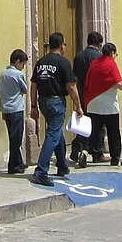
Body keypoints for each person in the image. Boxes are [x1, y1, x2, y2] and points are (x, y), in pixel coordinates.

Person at [29, 32, 83, 187]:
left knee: (56, 130)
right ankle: (41, 171)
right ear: (61, 46)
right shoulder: (63, 63)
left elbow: (34, 85)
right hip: (56, 101)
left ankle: (62, 165)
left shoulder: (41, 62)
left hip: (43, 100)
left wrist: (33, 106)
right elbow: (71, 87)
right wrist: (78, 106)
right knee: (53, 134)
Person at [83, 42, 122, 166]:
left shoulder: (95, 63)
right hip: (108, 106)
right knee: (113, 132)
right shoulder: (111, 64)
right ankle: (115, 158)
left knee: (94, 131)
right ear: (112, 53)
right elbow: (117, 82)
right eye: (115, 54)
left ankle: (90, 153)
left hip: (93, 103)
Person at [70, 31, 106, 167]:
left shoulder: (78, 56)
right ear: (99, 44)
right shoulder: (99, 57)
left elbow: (75, 76)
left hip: (81, 92)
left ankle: (77, 146)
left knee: (83, 122)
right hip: (95, 94)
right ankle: (97, 152)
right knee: (98, 124)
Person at [0, 49, 29, 174]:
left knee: (12, 136)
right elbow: (25, 89)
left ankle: (19, 162)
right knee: (16, 139)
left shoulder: (3, 74)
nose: (23, 67)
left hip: (6, 109)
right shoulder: (17, 74)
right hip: (16, 109)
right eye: (23, 64)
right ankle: (13, 166)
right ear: (17, 62)